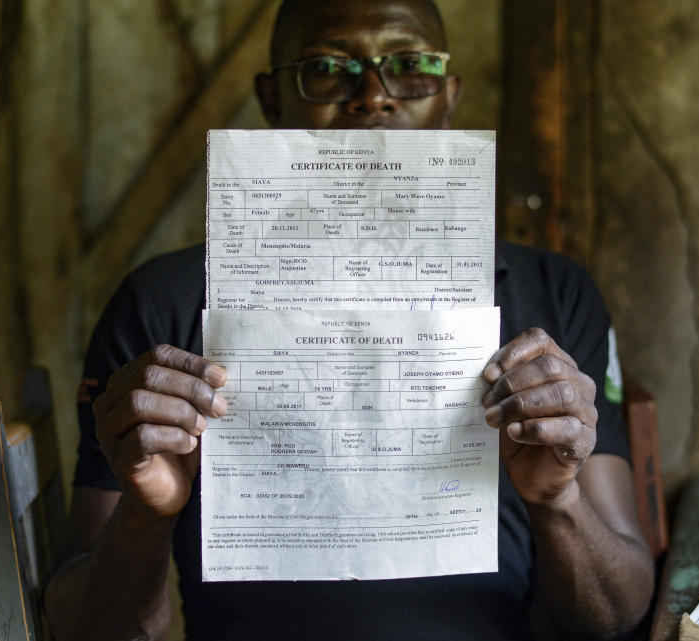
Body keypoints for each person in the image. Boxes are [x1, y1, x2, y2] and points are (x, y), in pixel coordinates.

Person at [44, 1, 654, 639]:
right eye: (328, 68)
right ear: (272, 98)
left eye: (410, 67)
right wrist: (146, 514)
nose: (373, 97)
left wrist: (558, 502)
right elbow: (83, 628)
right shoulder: (159, 306)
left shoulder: (556, 296)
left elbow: (616, 614)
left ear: (448, 98)